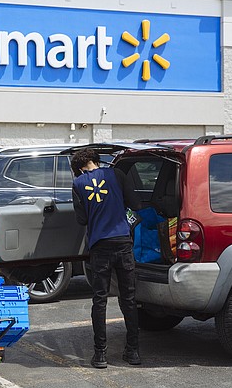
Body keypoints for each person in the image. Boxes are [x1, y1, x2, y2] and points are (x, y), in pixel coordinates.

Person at [71, 148, 142, 368]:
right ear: (95, 161)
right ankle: (133, 352)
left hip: (99, 247)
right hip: (123, 243)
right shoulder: (118, 175)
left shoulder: (78, 184)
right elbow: (136, 205)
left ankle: (100, 354)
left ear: (81, 168)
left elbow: (82, 219)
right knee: (128, 299)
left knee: (100, 299)